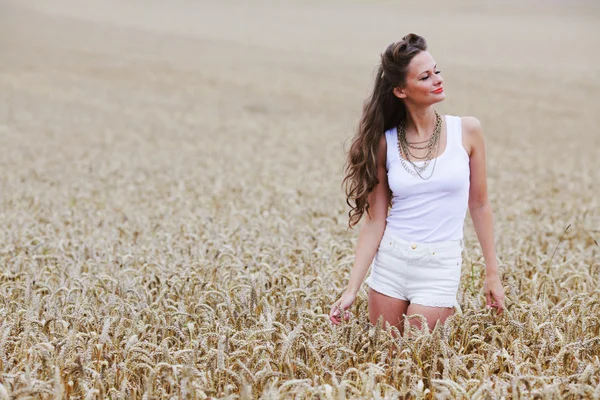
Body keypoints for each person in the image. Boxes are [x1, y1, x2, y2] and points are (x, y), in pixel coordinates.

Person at [329, 33, 505, 335]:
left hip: (439, 266)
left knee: (420, 360)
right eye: (425, 77)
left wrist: (493, 274)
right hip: (391, 263)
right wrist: (351, 290)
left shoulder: (468, 131)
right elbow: (374, 221)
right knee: (386, 363)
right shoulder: (386, 143)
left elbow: (479, 204)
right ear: (400, 90)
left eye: (436, 71)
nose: (437, 79)